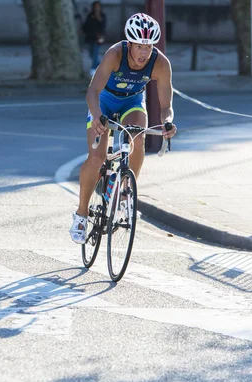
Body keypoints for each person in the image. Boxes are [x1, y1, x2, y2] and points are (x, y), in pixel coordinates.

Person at [69, 12, 178, 245]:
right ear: (130, 44)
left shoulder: (160, 64)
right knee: (97, 157)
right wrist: (98, 117)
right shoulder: (115, 54)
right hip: (104, 101)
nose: (143, 53)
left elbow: (166, 106)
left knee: (138, 139)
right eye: (139, 47)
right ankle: (81, 213)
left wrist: (168, 122)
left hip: (132, 102)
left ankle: (127, 193)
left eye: (148, 47)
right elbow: (92, 92)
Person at [82, 1, 106, 76]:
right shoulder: (90, 15)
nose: (96, 8)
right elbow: (86, 25)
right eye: (95, 7)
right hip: (90, 37)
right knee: (91, 54)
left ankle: (93, 69)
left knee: (95, 53)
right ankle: (102, 66)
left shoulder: (102, 15)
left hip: (98, 37)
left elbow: (103, 26)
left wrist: (99, 17)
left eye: (98, 7)